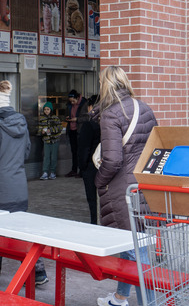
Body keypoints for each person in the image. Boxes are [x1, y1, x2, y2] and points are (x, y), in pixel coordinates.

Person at [0, 80, 48, 287]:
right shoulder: (21, 122)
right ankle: (38, 272)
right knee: (20, 231)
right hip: (19, 187)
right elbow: (26, 152)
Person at [93, 67, 157, 306]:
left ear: (105, 85)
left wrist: (98, 182)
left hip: (122, 188)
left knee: (134, 248)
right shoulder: (144, 108)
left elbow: (112, 160)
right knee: (133, 241)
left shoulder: (111, 115)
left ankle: (148, 302)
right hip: (142, 184)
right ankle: (120, 297)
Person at [77, 95, 99, 224]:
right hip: (105, 166)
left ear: (91, 107)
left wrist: (82, 166)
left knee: (93, 199)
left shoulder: (89, 125)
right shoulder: (107, 123)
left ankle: (95, 223)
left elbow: (84, 149)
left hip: (91, 167)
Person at [65, 89, 89, 178]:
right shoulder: (69, 105)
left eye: (73, 101)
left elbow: (88, 117)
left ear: (77, 98)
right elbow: (67, 114)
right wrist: (67, 118)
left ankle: (82, 171)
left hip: (80, 131)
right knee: (74, 152)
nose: (72, 103)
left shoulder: (84, 103)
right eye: (70, 101)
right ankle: (74, 170)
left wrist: (77, 119)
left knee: (81, 151)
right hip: (72, 130)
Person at [38, 101, 62, 180]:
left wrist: (50, 130)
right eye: (45, 109)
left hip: (55, 140)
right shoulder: (42, 119)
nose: (46, 111)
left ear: (51, 110)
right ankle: (45, 172)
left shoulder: (55, 118)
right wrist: (41, 131)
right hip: (46, 141)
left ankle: (52, 172)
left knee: (53, 157)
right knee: (46, 157)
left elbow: (59, 128)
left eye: (48, 109)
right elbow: (39, 129)